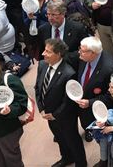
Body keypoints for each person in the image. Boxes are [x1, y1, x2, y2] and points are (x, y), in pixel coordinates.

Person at [35, 38, 86, 167]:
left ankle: (81, 163)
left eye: (48, 51)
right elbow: (38, 88)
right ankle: (66, 158)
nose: (43, 54)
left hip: (65, 116)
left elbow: (68, 101)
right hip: (48, 113)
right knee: (59, 138)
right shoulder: (42, 65)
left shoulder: (69, 73)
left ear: (58, 54)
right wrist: (41, 108)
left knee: (72, 139)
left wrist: (55, 114)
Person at [75, 37, 113, 143]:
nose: (79, 52)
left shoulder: (110, 68)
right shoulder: (84, 58)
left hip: (101, 113)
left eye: (83, 51)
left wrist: (90, 102)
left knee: (106, 143)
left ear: (93, 53)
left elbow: (112, 96)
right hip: (85, 111)